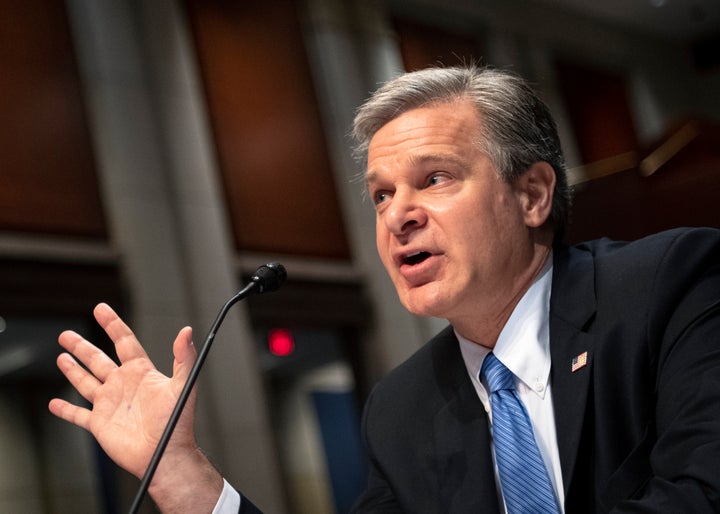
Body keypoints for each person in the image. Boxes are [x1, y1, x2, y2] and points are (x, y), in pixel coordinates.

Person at [49, 65, 720, 513]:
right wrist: (182, 477)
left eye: (435, 178)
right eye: (380, 195)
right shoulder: (402, 408)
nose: (399, 214)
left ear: (533, 194)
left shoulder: (668, 288)